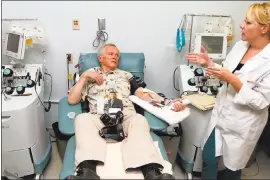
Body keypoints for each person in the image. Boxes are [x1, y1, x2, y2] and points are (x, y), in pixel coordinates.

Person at [67, 43, 185, 179]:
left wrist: (168, 102)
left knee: (140, 120)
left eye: (117, 55)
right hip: (98, 117)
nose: (115, 57)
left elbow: (143, 93)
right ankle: (87, 173)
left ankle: (152, 173)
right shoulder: (89, 76)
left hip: (126, 116)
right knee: (82, 119)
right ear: (100, 58)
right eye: (110, 54)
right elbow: (72, 100)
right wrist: (84, 77)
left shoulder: (126, 75)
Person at [186, 2, 270, 180]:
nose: (242, 25)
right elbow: (227, 71)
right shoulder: (240, 45)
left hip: (243, 123)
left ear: (264, 29)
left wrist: (233, 80)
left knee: (233, 169)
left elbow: (261, 102)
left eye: (248, 22)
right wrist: (209, 64)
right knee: (208, 159)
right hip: (221, 114)